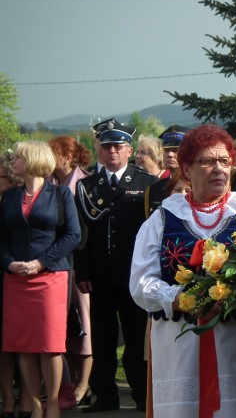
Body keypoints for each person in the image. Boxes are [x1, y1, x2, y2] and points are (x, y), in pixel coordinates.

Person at [129, 124, 236, 417]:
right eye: (207, 161)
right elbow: (140, 282)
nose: (219, 169)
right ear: (185, 168)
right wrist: (180, 297)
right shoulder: (163, 218)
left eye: (224, 161)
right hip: (181, 346)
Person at [74, 119, 158, 413]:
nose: (112, 152)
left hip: (134, 275)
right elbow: (82, 234)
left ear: (128, 150)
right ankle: (105, 394)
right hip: (99, 275)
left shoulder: (146, 183)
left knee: (136, 338)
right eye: (106, 146)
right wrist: (82, 272)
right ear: (97, 149)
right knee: (103, 338)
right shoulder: (86, 186)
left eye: (117, 147)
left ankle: (141, 393)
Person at [1, 141, 82, 418]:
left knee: (49, 345)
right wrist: (10, 263)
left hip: (50, 277)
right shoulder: (10, 197)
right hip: (16, 278)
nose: (13, 161)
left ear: (33, 160)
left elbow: (73, 235)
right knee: (23, 343)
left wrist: (40, 262)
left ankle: (54, 405)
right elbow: (2, 239)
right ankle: (35, 404)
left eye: (18, 157)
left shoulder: (61, 195)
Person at [48, 136, 94, 407]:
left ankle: (83, 384)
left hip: (78, 265)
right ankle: (68, 382)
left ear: (68, 156)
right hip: (59, 265)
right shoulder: (51, 182)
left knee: (84, 326)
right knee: (65, 329)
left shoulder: (82, 182)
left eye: (54, 153)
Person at [0, 152, 27, 418]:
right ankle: (7, 398)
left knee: (18, 341)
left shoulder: (14, 202)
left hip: (15, 274)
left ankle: (25, 397)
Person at [144, 125, 189, 218]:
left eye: (175, 150)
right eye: (166, 150)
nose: (170, 154)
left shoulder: (198, 187)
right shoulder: (153, 190)